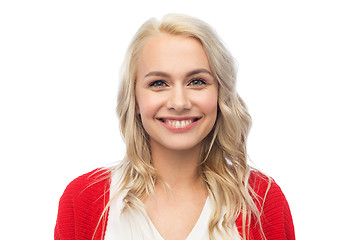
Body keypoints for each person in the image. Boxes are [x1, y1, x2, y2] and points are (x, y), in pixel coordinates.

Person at [55, 13, 295, 240]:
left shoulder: (262, 199)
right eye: (159, 83)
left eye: (197, 81)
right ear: (135, 99)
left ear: (220, 93)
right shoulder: (84, 199)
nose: (179, 103)